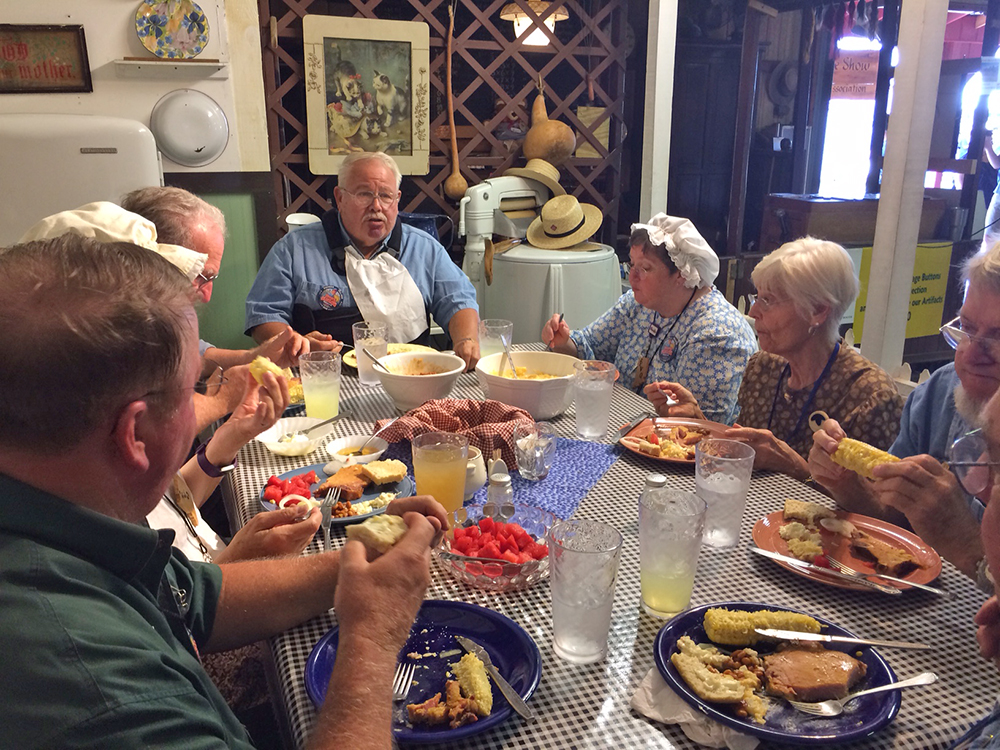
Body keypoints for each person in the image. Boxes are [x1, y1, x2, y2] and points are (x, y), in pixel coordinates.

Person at [0, 234, 447, 749]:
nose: (204, 406)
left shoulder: (74, 517)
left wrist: (361, 557)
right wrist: (371, 638)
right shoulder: (97, 692)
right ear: (136, 435)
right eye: (195, 389)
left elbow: (199, 599)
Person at [809, 244, 1000, 582]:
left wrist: (966, 541)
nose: (970, 356)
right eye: (967, 330)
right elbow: (892, 520)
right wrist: (848, 484)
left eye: (998, 340)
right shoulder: (938, 394)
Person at [649, 237, 903, 478]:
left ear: (817, 311)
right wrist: (698, 422)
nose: (754, 311)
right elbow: (745, 453)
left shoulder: (870, 397)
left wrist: (793, 466)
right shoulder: (764, 367)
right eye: (757, 297)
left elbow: (876, 513)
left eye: (768, 300)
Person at [244, 151, 482, 369]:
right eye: (364, 194)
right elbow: (265, 314)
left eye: (386, 196)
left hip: (411, 373)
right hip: (322, 375)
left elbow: (458, 300)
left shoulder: (425, 249)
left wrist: (467, 340)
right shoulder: (294, 249)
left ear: (397, 200)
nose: (376, 206)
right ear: (339, 198)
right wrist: (295, 342)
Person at [543, 213, 757, 424]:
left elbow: (699, 429)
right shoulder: (637, 304)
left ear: (682, 274)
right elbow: (590, 347)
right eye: (632, 265)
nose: (633, 277)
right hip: (624, 427)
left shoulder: (717, 333)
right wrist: (565, 342)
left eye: (645, 268)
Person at [122, 186, 328, 368]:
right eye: (200, 276)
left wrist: (255, 357)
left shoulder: (157, 313)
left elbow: (194, 356)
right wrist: (224, 401)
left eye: (211, 278)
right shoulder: (113, 326)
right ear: (151, 261)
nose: (206, 295)